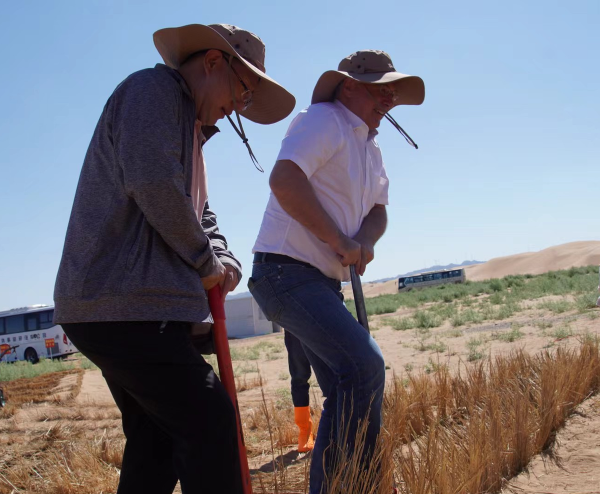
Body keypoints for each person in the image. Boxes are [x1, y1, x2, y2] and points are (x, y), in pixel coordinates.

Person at [53, 23, 294, 494]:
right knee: (210, 420)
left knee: (157, 441)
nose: (240, 108)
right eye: (243, 91)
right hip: (123, 304)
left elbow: (198, 210)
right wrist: (205, 261)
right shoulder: (153, 90)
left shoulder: (190, 128)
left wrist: (221, 256)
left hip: (133, 307)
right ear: (213, 62)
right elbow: (154, 183)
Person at [249, 50, 424, 493]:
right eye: (379, 88)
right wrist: (337, 240)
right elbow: (285, 180)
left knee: (353, 388)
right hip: (285, 274)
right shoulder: (324, 119)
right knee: (363, 368)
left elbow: (378, 211)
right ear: (348, 86)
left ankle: (360, 484)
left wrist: (363, 241)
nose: (389, 98)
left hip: (322, 283)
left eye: (393, 91)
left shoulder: (370, 145)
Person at [284, 329, 315, 452]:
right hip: (294, 325)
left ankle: (335, 427)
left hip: (326, 321)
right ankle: (305, 430)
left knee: (333, 374)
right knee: (299, 377)